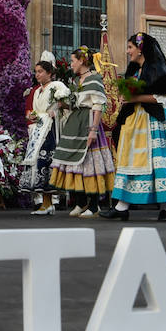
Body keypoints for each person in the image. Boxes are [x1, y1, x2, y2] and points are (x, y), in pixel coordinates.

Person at [100, 32, 166, 222]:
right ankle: (122, 206)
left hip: (153, 121)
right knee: (131, 160)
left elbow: (165, 98)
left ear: (140, 49)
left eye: (130, 48)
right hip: (135, 120)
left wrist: (134, 97)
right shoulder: (135, 71)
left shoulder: (157, 69)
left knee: (158, 162)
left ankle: (165, 207)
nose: (128, 52)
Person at [50, 46, 115, 218]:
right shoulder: (77, 81)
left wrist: (93, 130)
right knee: (73, 163)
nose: (71, 65)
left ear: (82, 61)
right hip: (75, 122)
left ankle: (94, 206)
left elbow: (98, 105)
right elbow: (74, 103)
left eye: (73, 61)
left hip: (87, 123)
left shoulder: (94, 79)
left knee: (89, 164)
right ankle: (80, 202)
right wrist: (60, 103)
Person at [20, 53, 68, 215]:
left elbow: (67, 102)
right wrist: (31, 116)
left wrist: (58, 109)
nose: (37, 74)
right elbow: (34, 110)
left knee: (45, 162)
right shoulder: (37, 91)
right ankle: (45, 204)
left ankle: (48, 203)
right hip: (38, 130)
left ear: (49, 73)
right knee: (38, 163)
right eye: (36, 71)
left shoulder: (57, 86)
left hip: (50, 130)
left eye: (40, 71)